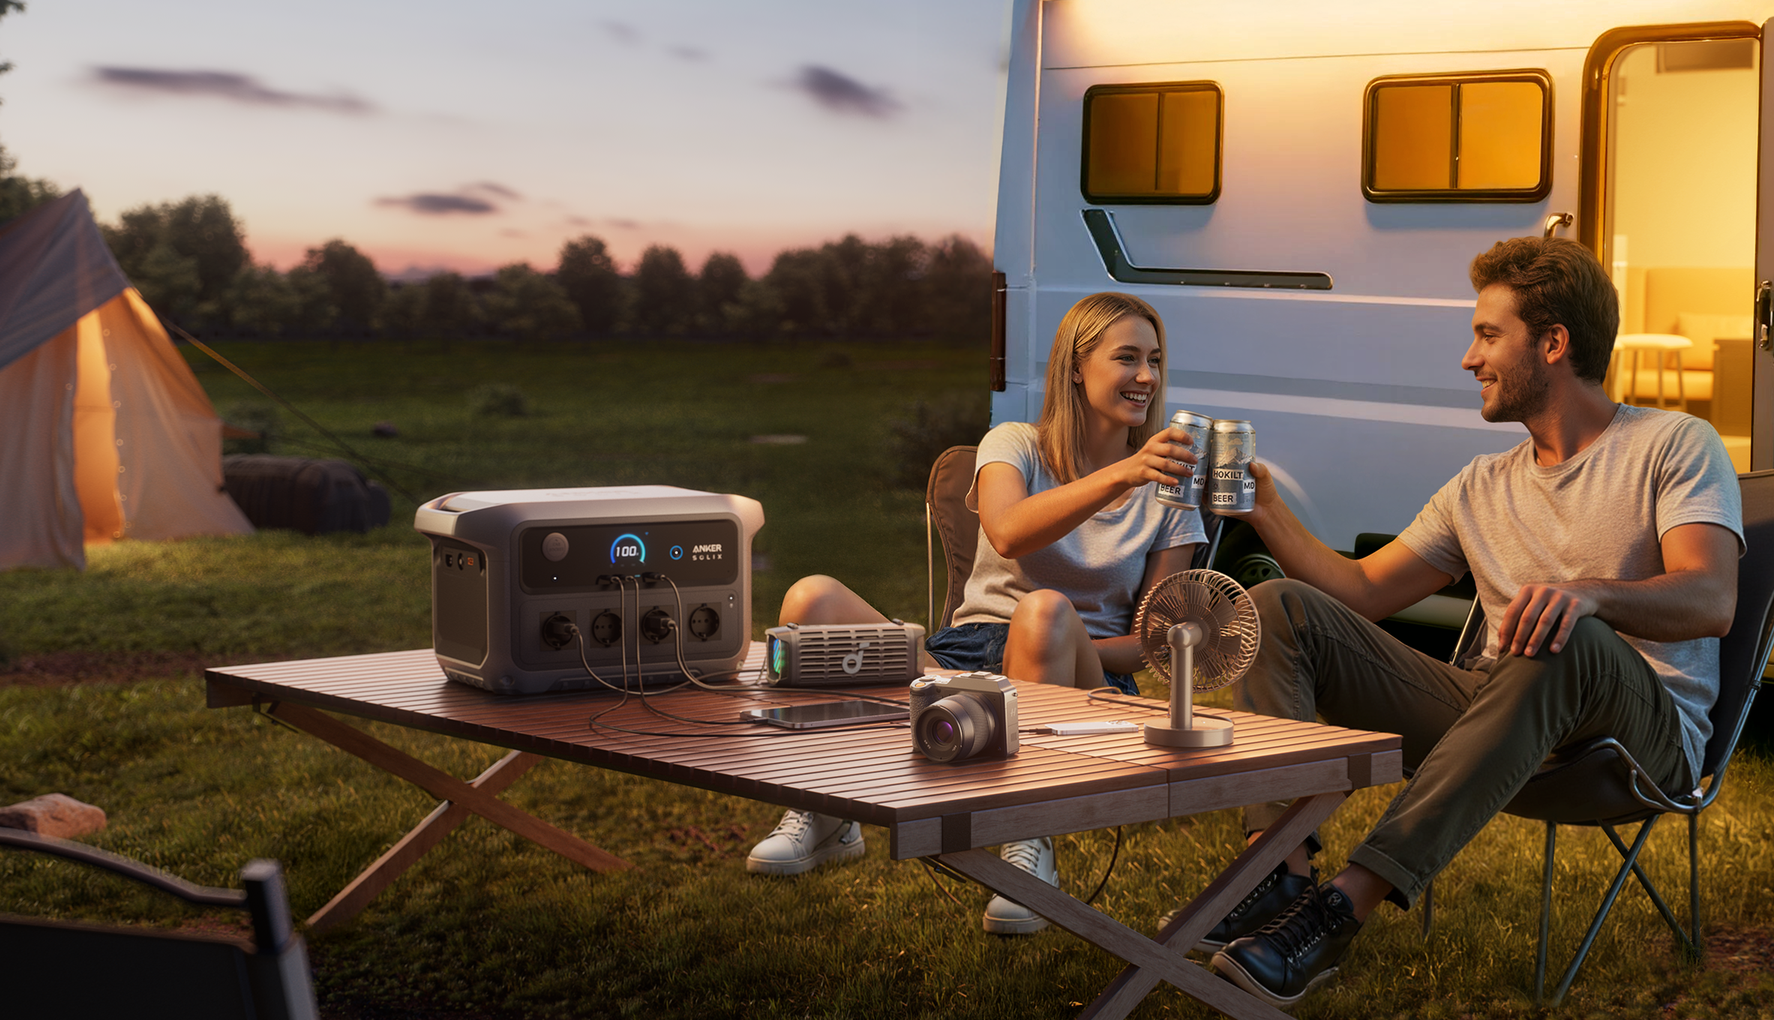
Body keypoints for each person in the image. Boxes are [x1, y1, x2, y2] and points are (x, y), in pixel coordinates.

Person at [1199, 237, 1743, 1006]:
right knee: (1279, 610)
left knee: (1564, 632)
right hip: (1500, 721)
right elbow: (1356, 593)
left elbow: (1711, 599)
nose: (1468, 358)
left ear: (1553, 344)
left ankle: (1335, 914)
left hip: (1637, 745)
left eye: (1489, 335)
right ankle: (1276, 874)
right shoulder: (1480, 485)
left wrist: (1587, 594)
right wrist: (1268, 509)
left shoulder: (1672, 445)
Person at [743, 291, 1209, 934]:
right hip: (967, 654)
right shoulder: (1013, 443)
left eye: (1153, 360)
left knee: (1043, 613)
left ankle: (1029, 839)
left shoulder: (1170, 491)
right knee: (810, 598)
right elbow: (1011, 530)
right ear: (1076, 366)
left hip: (1082, 677)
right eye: (1126, 357)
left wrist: (1044, 644)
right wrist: (1122, 473)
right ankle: (827, 809)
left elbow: (1154, 644)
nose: (1146, 378)